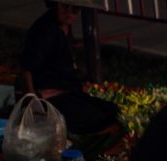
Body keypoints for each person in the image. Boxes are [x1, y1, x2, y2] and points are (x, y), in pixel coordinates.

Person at [19, 1, 119, 134]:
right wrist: (33, 101)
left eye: (75, 9)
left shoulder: (64, 27)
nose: (70, 13)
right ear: (54, 4)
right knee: (96, 119)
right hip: (48, 97)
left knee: (112, 110)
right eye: (65, 7)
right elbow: (26, 69)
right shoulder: (44, 31)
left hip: (67, 90)